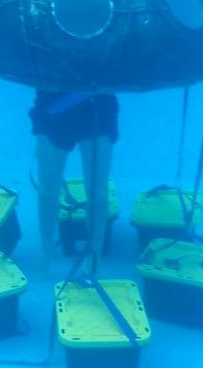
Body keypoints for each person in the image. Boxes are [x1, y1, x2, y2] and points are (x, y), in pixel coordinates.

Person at [29, 90, 119, 277]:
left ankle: (93, 258)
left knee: (97, 193)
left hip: (98, 103)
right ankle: (46, 251)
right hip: (54, 101)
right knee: (47, 190)